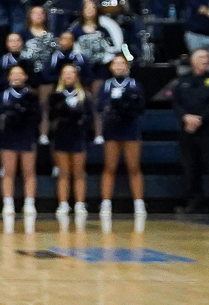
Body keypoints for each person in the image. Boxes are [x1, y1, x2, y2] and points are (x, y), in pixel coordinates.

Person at [96, 53, 146, 221]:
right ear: (111, 67)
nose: (119, 67)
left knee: (134, 167)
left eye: (122, 64)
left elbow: (140, 106)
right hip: (112, 129)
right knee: (109, 167)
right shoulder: (106, 85)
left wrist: (127, 105)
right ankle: (106, 203)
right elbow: (100, 106)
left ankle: (139, 203)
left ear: (127, 67)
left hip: (130, 128)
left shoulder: (134, 84)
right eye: (115, 64)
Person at [170, 48, 209, 214]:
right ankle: (194, 202)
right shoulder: (183, 81)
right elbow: (176, 103)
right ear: (193, 60)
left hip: (207, 129)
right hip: (187, 130)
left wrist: (201, 120)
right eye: (201, 57)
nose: (205, 60)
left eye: (207, 57)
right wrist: (186, 117)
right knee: (190, 167)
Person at [0, 63, 42, 222]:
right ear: (9, 77)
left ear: (25, 77)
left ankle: (29, 203)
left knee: (29, 171)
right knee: (8, 171)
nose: (16, 77)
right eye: (13, 74)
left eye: (19, 74)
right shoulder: (4, 95)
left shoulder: (31, 95)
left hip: (26, 134)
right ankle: (8, 203)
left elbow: (38, 116)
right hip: (8, 135)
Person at [47, 61, 92, 224]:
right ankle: (63, 203)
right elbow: (51, 116)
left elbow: (89, 117)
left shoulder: (84, 95)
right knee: (63, 172)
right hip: (61, 135)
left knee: (79, 172)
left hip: (78, 135)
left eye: (71, 73)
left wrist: (80, 119)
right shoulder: (56, 94)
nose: (68, 76)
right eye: (65, 73)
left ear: (76, 76)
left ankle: (80, 203)